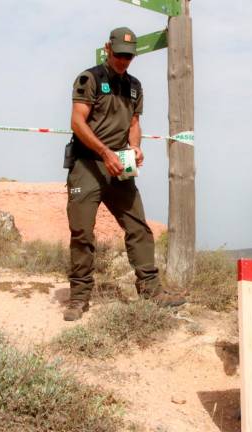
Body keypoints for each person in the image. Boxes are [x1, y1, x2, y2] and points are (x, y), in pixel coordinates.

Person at [63, 27, 185, 321]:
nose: (123, 61)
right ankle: (79, 296)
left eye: (129, 57)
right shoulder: (89, 79)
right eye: (119, 55)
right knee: (82, 232)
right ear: (108, 49)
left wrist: (135, 147)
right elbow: (78, 122)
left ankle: (150, 290)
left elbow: (133, 123)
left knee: (138, 227)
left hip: (120, 166)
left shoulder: (134, 86)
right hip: (88, 164)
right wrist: (105, 153)